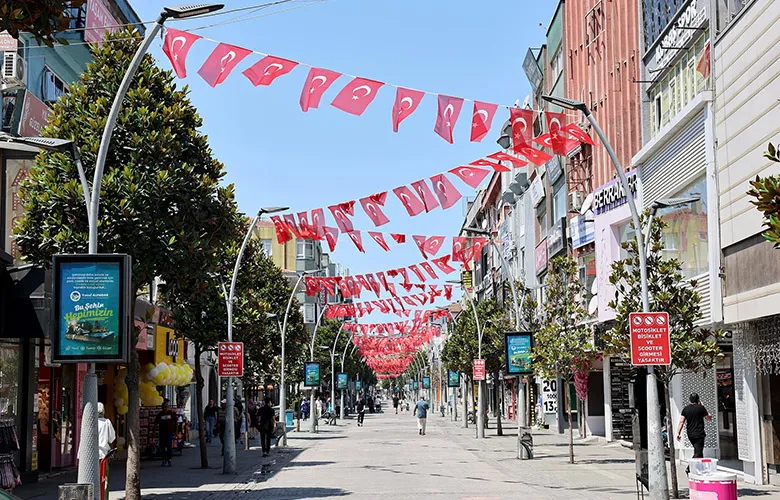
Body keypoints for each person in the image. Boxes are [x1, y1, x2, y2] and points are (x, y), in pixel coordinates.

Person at [677, 392, 711, 461]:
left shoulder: (685, 409)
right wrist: (704, 407)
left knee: (699, 451)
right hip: (699, 434)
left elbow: (681, 422)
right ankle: (689, 467)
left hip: (690, 434)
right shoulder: (701, 408)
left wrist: (678, 433)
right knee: (698, 452)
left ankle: (699, 468)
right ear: (698, 400)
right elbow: (708, 418)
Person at [156, 400, 178, 466]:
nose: (165, 408)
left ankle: (169, 459)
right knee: (162, 447)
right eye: (164, 407)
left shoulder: (171, 414)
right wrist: (154, 431)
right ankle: (163, 459)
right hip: (162, 433)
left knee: (169, 446)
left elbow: (176, 422)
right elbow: (156, 422)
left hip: (169, 433)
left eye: (166, 407)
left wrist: (176, 431)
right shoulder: (160, 415)